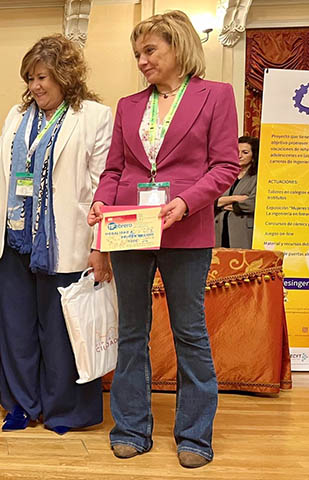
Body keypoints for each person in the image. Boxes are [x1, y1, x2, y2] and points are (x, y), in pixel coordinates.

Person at [87, 11, 239, 468]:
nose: (142, 61)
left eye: (150, 51)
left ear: (178, 47)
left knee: (189, 333)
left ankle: (195, 435)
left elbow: (225, 166)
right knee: (130, 332)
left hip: (186, 230)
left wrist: (187, 203)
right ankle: (131, 427)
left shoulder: (217, 96)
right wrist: (99, 207)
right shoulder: (129, 105)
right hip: (129, 230)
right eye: (137, 54)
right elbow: (115, 170)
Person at [0, 34, 113, 434]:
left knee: (60, 333)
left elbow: (102, 185)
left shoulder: (94, 116)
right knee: (17, 331)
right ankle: (20, 404)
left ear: (65, 76)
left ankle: (64, 410)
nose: (35, 86)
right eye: (30, 78)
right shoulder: (16, 116)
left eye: (42, 77)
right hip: (14, 243)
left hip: (65, 243)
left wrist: (98, 247)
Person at [215, 136, 258, 248]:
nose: (239, 156)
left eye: (245, 152)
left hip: (242, 230)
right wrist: (234, 199)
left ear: (253, 156)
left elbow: (254, 203)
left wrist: (226, 204)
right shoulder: (225, 175)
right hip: (219, 228)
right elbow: (212, 201)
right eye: (237, 152)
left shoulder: (257, 177)